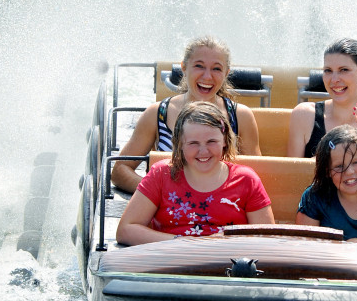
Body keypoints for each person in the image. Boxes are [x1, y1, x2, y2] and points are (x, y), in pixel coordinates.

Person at [111, 35, 261, 193]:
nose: (207, 76)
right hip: (169, 211)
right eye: (199, 66)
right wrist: (158, 192)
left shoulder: (241, 116)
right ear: (184, 67)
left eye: (216, 68)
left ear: (226, 73)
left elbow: (259, 176)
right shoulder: (156, 114)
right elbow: (120, 170)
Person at [116, 101, 274, 245]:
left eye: (211, 141)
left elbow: (267, 240)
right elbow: (126, 230)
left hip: (227, 265)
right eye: (193, 143)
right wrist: (183, 243)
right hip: (171, 263)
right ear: (180, 144)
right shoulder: (161, 174)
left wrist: (217, 248)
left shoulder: (246, 180)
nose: (203, 151)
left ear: (225, 140)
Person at [287, 38, 357, 160]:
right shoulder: (304, 115)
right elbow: (292, 175)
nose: (334, 79)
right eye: (328, 71)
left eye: (344, 70)